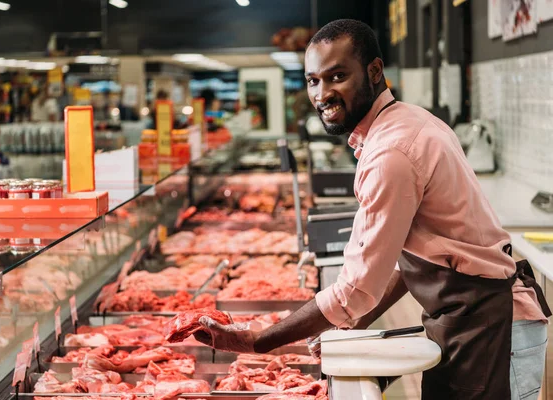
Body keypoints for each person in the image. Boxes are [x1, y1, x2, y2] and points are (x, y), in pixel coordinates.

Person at [194, 19, 551, 399]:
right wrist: (344, 326)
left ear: (374, 72)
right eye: (313, 80)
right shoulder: (402, 124)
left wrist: (258, 341)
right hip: (470, 323)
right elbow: (398, 261)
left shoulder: (391, 152)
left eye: (337, 76)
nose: (322, 93)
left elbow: (355, 289)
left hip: (495, 328)